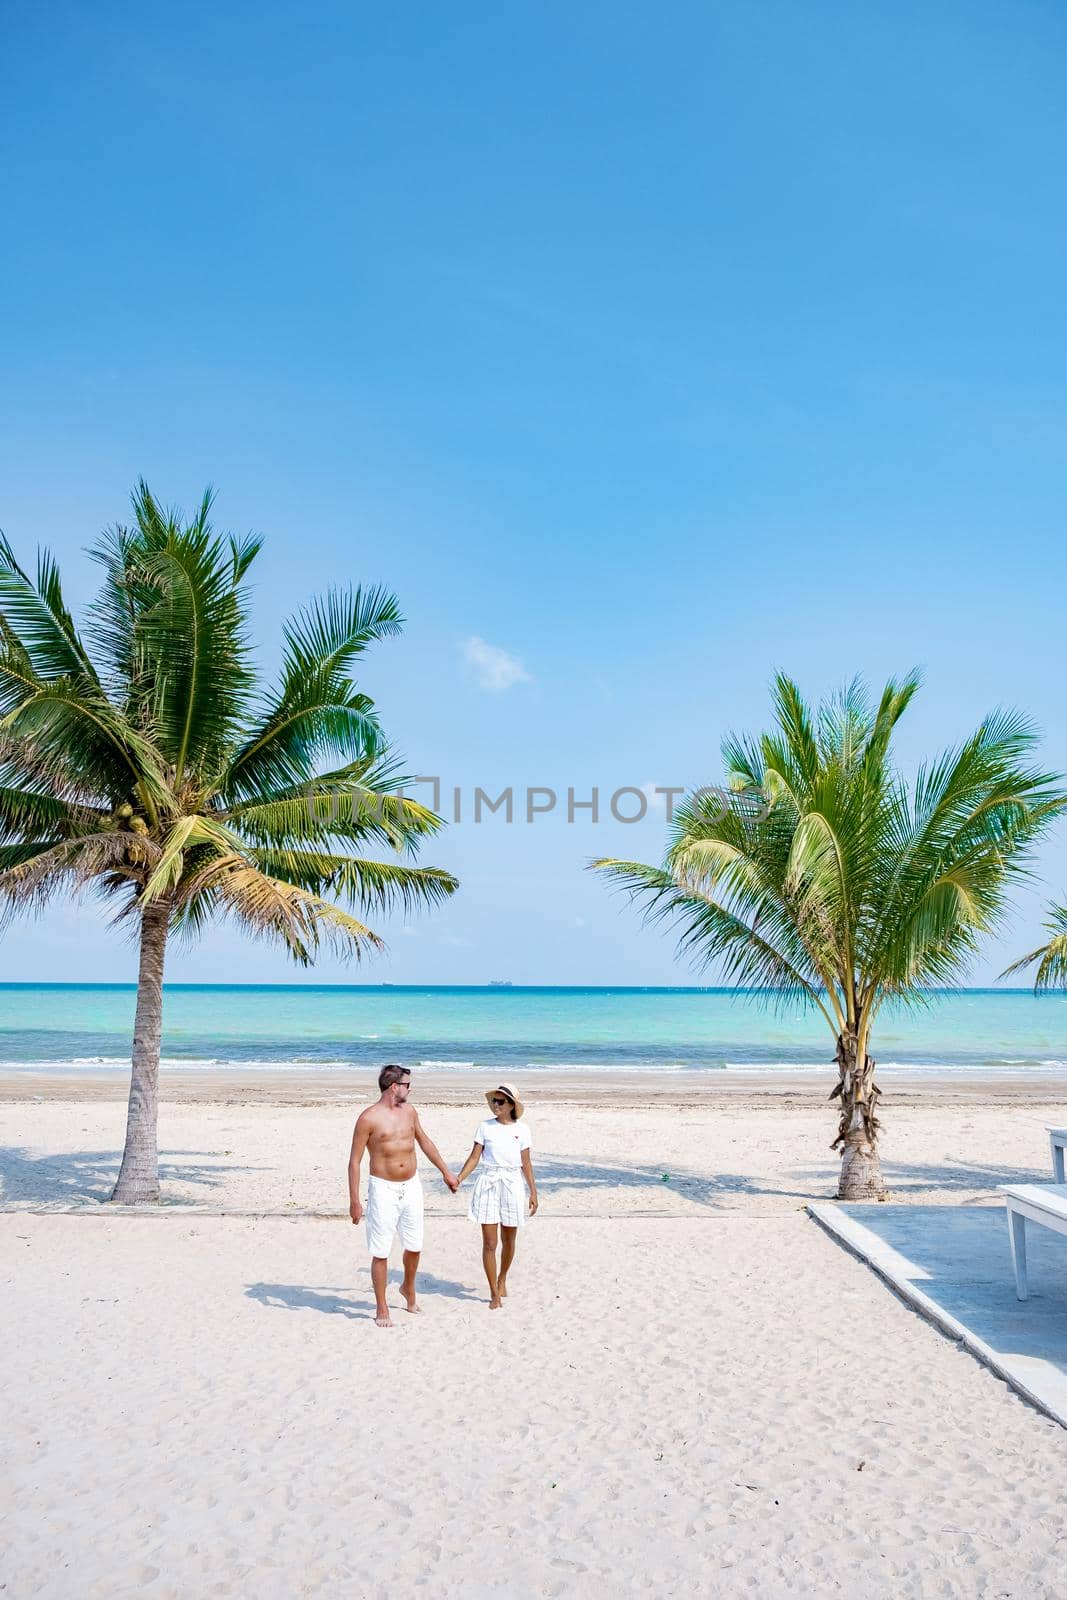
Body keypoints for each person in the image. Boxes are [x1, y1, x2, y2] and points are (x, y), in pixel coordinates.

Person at [348, 1064, 458, 1328]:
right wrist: (354, 1201)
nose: (411, 1088)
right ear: (394, 1086)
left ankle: (408, 1288)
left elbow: (425, 1141)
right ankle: (382, 1306)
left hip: (411, 1186)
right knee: (381, 1250)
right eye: (407, 1084)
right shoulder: (369, 1118)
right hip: (383, 1188)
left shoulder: (410, 1111)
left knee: (415, 1245)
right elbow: (354, 1161)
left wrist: (446, 1172)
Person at [455, 1082, 537, 1310]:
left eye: (500, 1101)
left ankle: (502, 1278)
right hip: (489, 1182)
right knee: (490, 1242)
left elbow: (526, 1163)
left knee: (509, 1240)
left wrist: (533, 1192)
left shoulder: (523, 1130)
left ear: (512, 1105)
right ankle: (494, 1293)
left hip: (512, 1184)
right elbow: (474, 1158)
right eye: (493, 1101)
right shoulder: (484, 1127)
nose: (495, 1105)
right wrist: (459, 1179)